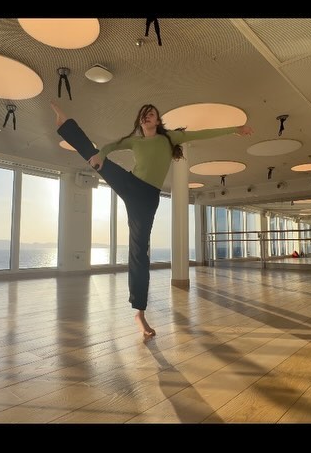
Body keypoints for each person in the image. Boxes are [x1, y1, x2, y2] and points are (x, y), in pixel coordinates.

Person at [51, 100, 254, 338]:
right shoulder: (135, 141)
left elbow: (202, 133)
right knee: (94, 157)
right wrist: (101, 156)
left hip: (147, 199)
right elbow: (110, 146)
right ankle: (65, 124)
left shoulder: (169, 139)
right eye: (144, 114)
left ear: (158, 120)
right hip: (130, 184)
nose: (147, 116)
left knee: (139, 252)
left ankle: (139, 312)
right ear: (140, 121)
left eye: (151, 114)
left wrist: (235, 129)